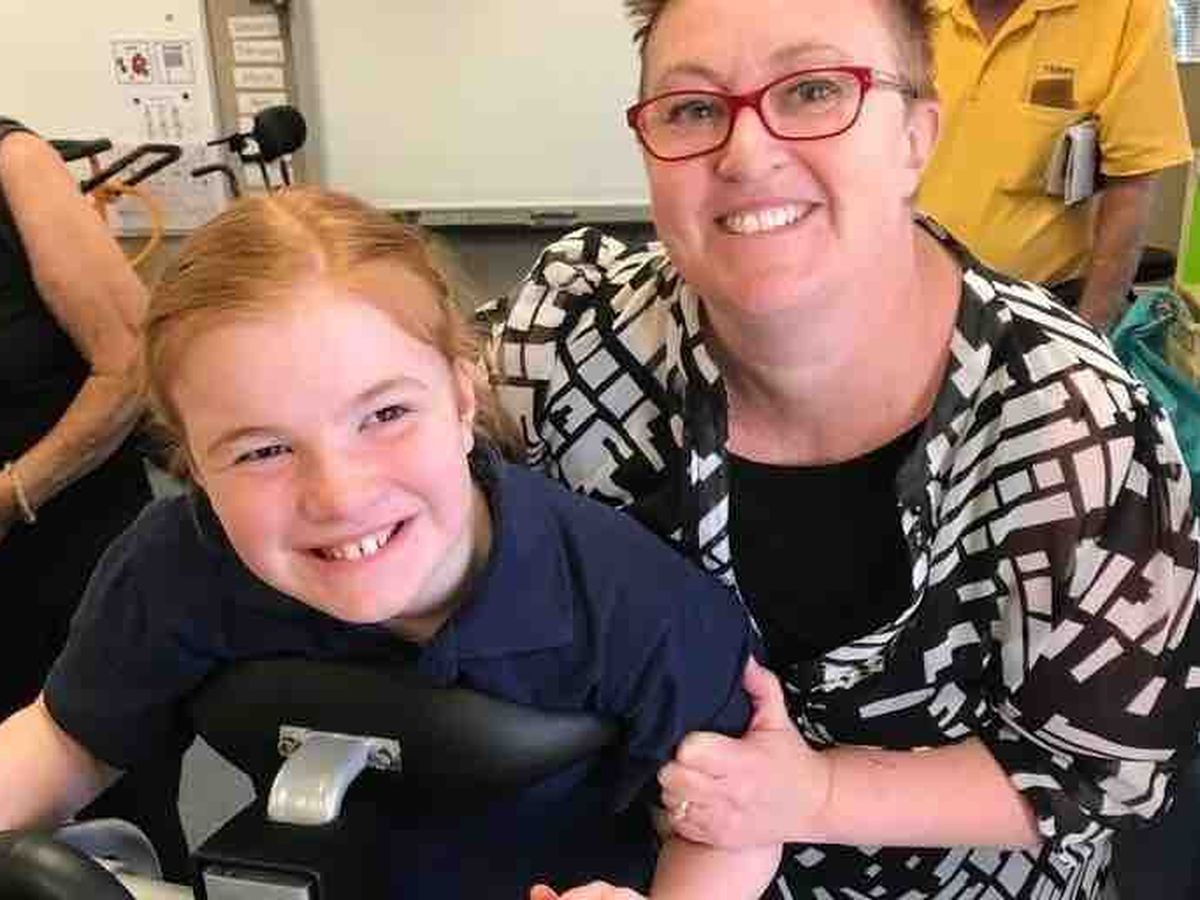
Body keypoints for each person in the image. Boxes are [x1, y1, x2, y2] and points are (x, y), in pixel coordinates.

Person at [481, 0, 1200, 897]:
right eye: (694, 108)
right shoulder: (565, 349)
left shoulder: (1074, 424)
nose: (746, 154)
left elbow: (1102, 772)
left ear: (915, 137)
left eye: (816, 91)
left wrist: (814, 794)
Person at [0, 186, 779, 899]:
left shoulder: (631, 604)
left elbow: (728, 825)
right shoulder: (177, 569)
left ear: (462, 400)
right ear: (194, 467)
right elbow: (68, 740)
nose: (339, 496)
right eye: (263, 450)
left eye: (385, 416)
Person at [0, 118, 188, 878]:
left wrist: (14, 491)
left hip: (63, 567)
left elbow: (129, 365)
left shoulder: (15, 164)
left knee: (115, 835)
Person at [916, 0, 1191, 329]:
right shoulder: (905, 9)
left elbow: (1131, 187)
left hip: (1036, 314)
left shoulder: (1126, 10)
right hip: (905, 295)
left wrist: (1086, 336)